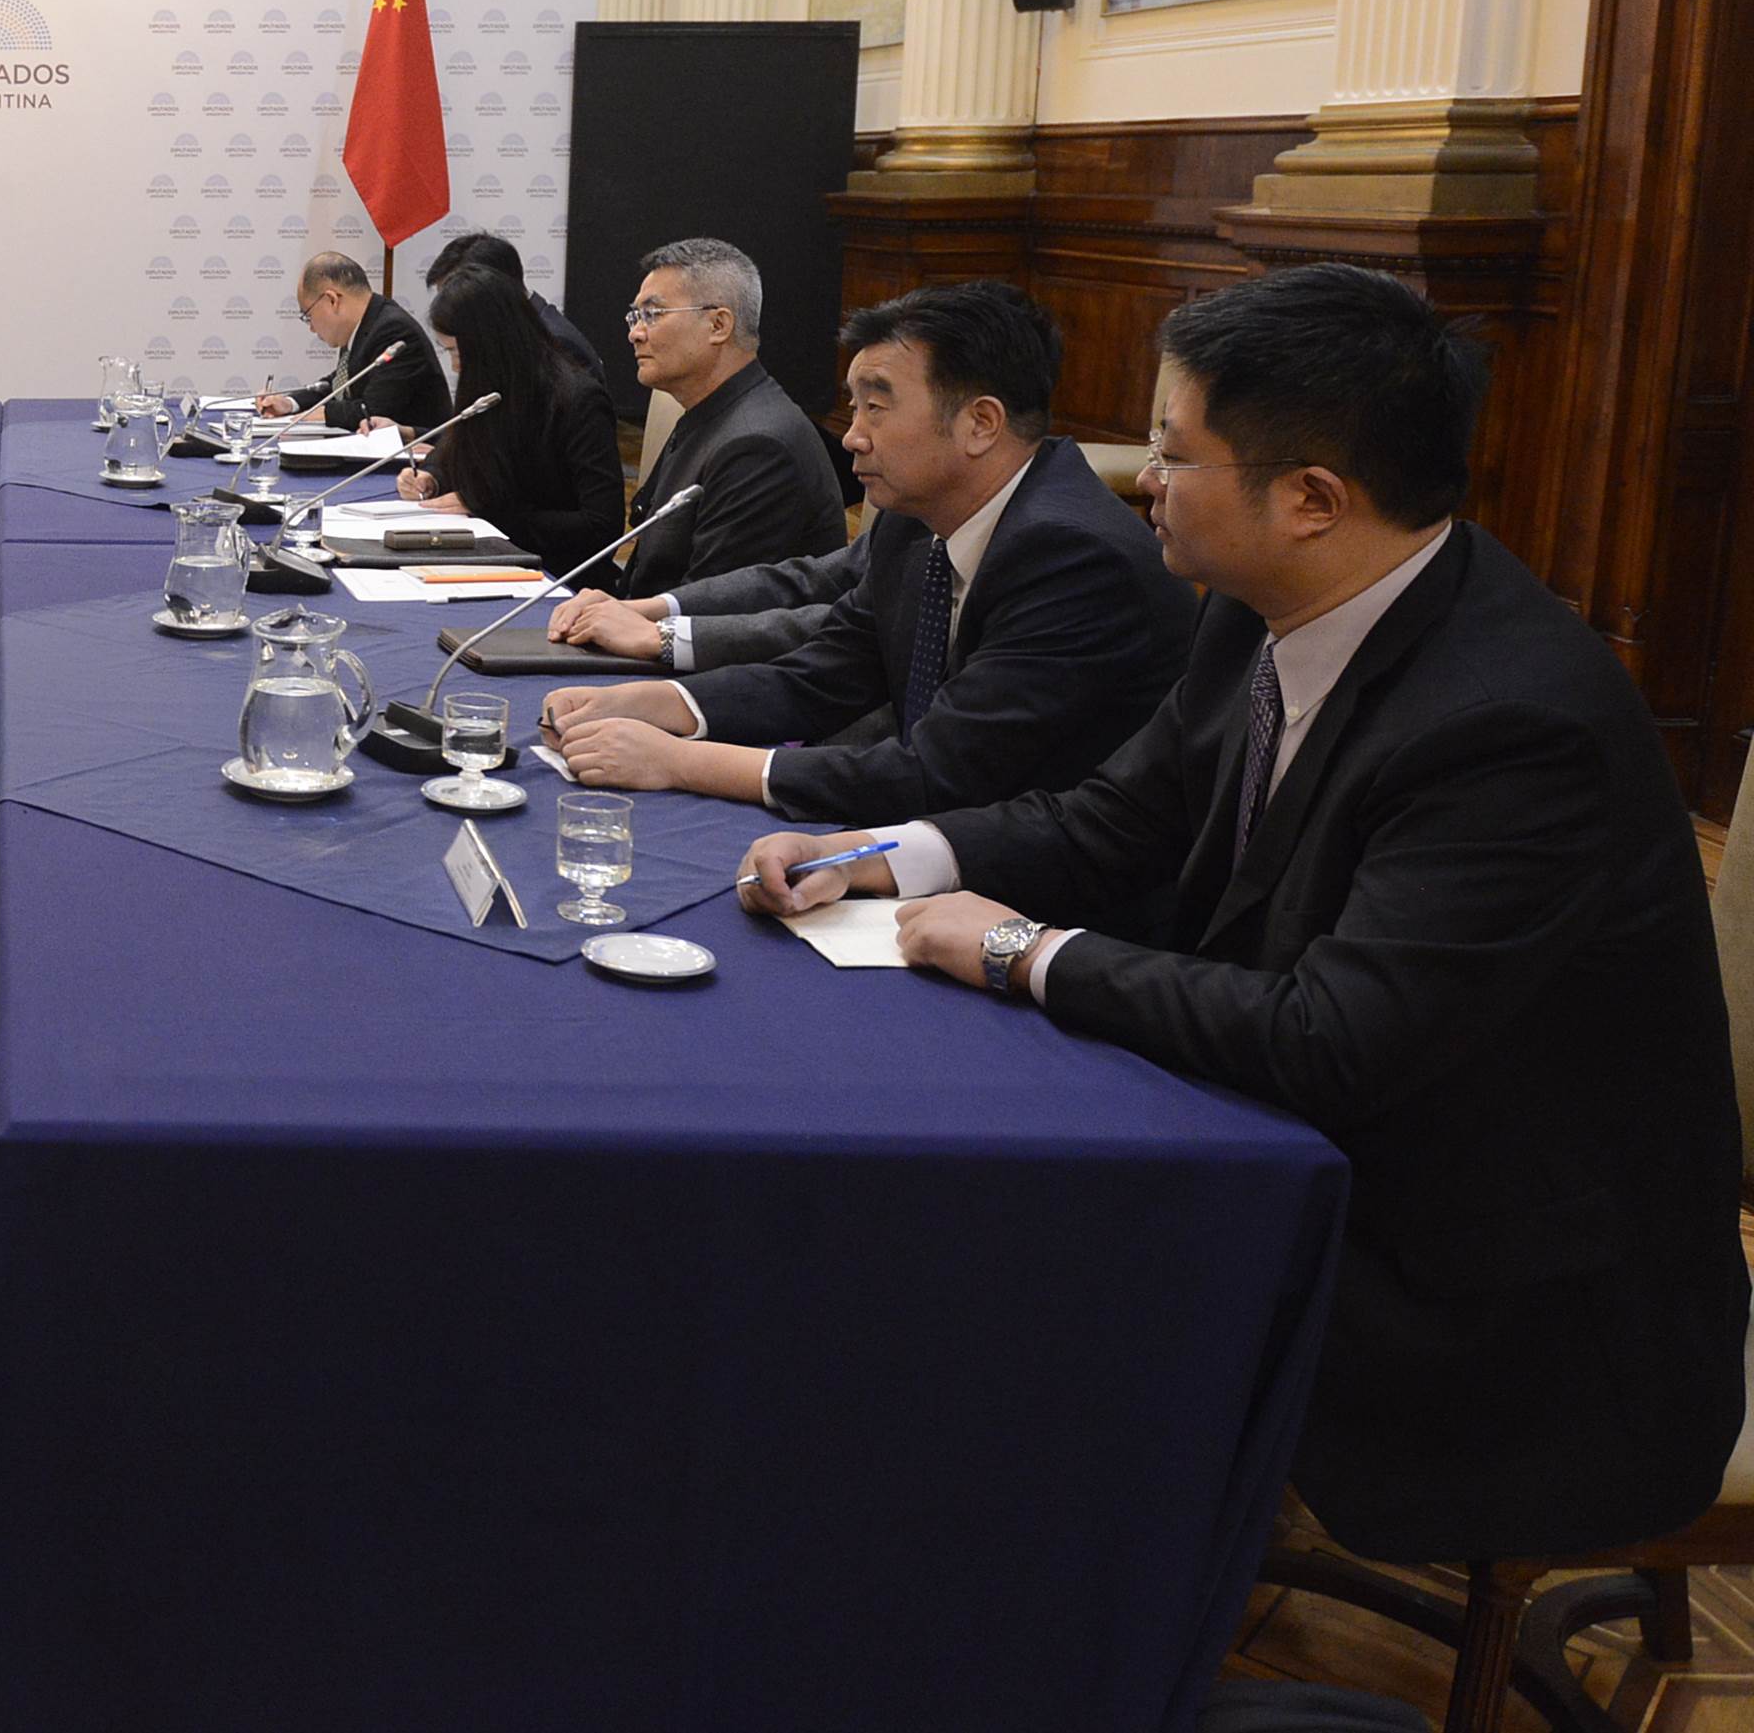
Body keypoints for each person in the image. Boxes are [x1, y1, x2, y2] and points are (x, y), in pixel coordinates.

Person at [738, 263, 1748, 1565]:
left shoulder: (1511, 726)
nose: (1144, 482)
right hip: (1326, 1158)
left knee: (977, 1281)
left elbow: (1333, 1036)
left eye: (1174, 452)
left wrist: (1014, 948)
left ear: (1314, 500)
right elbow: (1110, 823)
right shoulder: (1259, 617)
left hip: (1495, 1302)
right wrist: (887, 854)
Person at [547, 281, 1190, 827]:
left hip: (1033, 891)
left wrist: (678, 761)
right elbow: (821, 675)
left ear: (980, 423)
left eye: (877, 407)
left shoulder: (1073, 556)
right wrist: (653, 704)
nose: (852, 437)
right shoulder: (913, 523)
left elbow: (938, 773)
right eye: (855, 406)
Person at [613, 235, 842, 600]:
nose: (635, 333)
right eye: (635, 316)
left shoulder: (759, 447)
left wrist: (618, 616)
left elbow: (711, 610)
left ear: (718, 325)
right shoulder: (711, 411)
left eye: (652, 315)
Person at [396, 263, 625, 569]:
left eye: (459, 354)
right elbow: (457, 447)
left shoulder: (577, 400)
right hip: (486, 558)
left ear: (493, 345)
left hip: (556, 574)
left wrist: (491, 517)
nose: (455, 367)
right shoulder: (488, 387)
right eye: (449, 352)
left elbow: (601, 526)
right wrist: (432, 477)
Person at [543, 542, 864, 671]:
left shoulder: (758, 441)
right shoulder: (898, 523)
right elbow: (798, 580)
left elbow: (843, 627)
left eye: (875, 408)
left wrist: (664, 636)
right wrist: (642, 610)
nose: (850, 438)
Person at [254, 250, 452, 434]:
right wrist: (289, 404)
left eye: (308, 315)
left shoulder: (394, 330)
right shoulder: (367, 322)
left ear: (332, 300)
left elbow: (371, 410)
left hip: (414, 461)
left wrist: (322, 414)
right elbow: (341, 386)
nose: (312, 328)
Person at [423, 230, 607, 381]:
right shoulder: (510, 334)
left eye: (454, 297)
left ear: (492, 288)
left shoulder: (555, 343)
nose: (446, 310)